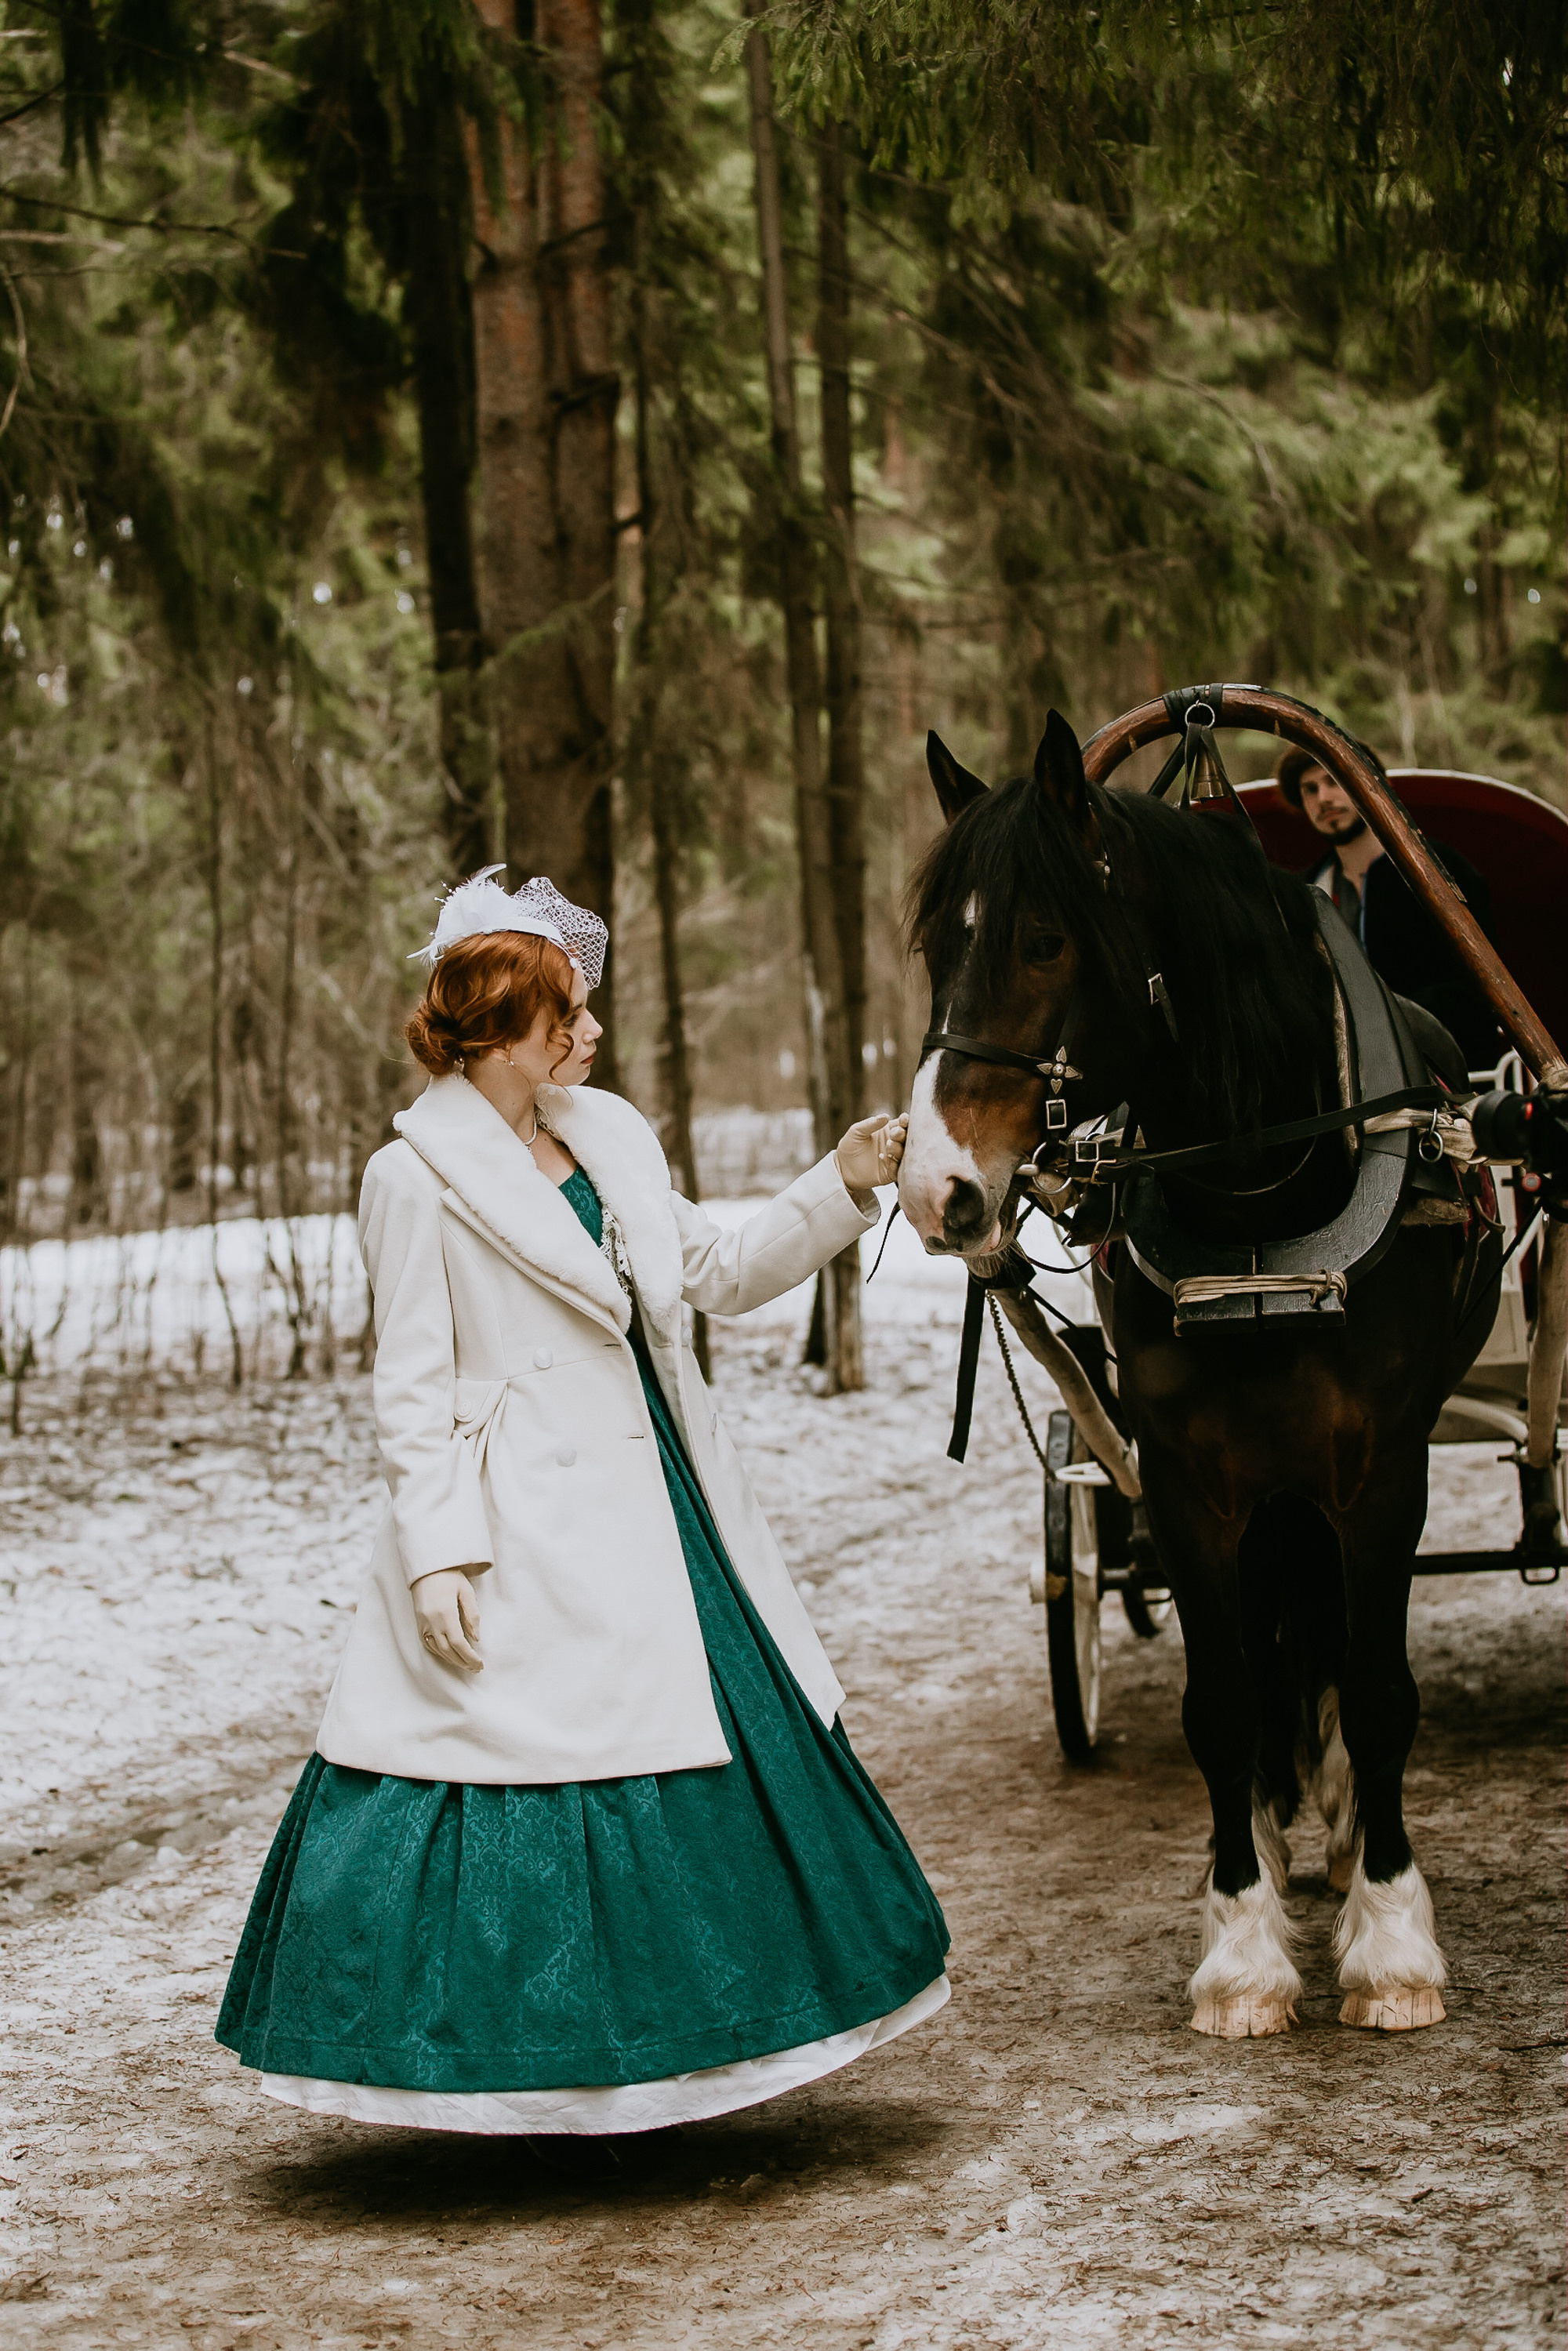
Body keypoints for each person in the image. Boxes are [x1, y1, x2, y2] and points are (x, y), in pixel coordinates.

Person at [216, 869, 949, 2136]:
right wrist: (440, 1550)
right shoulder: (414, 1174)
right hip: (517, 1523)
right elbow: (413, 1381)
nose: (591, 1029)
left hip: (660, 1496)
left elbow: (713, 1271)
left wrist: (838, 1182)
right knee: (508, 1754)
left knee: (708, 1736)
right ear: (503, 1020)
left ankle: (704, 2045)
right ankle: (528, 2062)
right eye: (567, 1011)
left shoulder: (605, 1134)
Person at [1276, 748, 1500, 1072]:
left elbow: (1479, 990)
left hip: (1450, 1075)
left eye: (1334, 781)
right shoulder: (1302, 895)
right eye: (1310, 789)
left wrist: (1386, 1015)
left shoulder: (1438, 872)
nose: (1323, 798)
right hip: (1346, 1083)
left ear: (1368, 785)